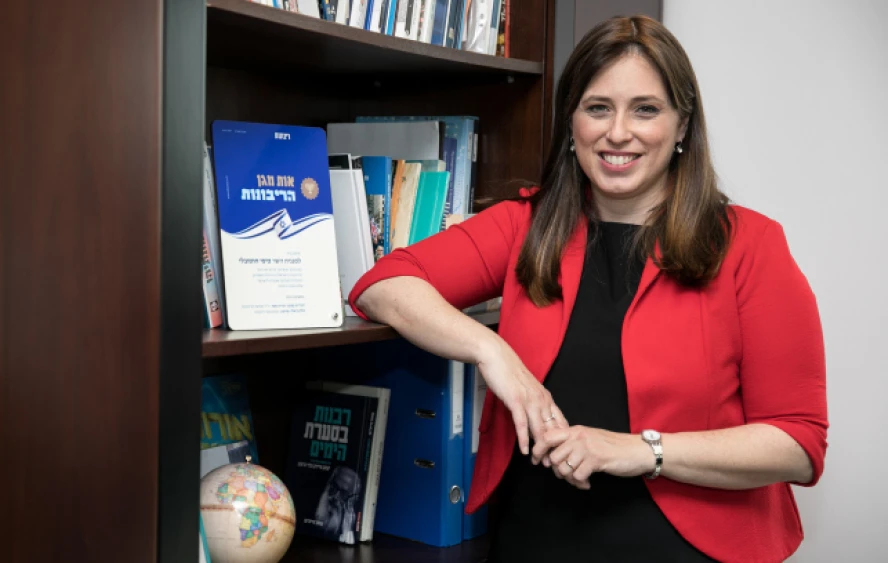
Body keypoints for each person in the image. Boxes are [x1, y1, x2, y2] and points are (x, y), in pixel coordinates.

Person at [347, 15, 827, 563]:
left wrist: (641, 450)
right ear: (571, 123)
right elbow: (381, 285)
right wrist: (491, 352)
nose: (617, 132)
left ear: (682, 126)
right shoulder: (525, 225)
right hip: (533, 540)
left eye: (645, 109)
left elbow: (798, 444)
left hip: (691, 549)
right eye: (597, 107)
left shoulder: (750, 245)